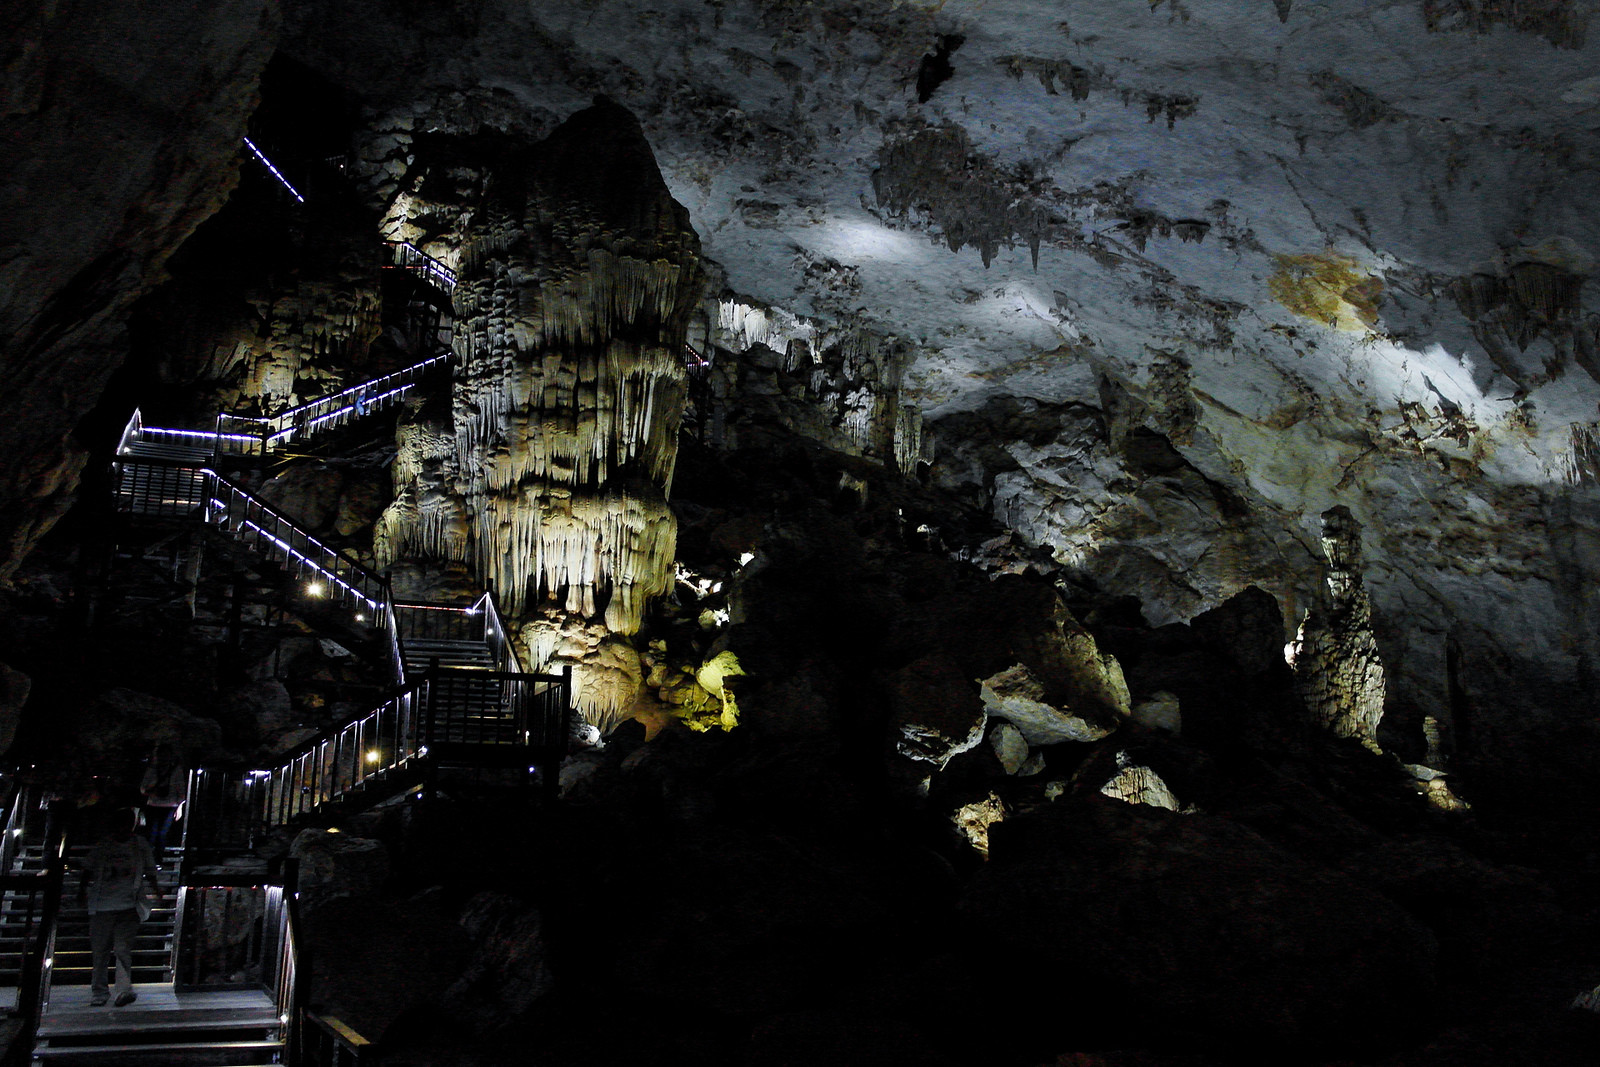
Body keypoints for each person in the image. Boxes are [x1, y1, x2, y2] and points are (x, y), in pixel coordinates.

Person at [78, 809, 161, 1007]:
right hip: (102, 905)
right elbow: (88, 868)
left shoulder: (139, 845)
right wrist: (81, 891)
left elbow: (149, 869)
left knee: (122, 949)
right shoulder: (104, 845)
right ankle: (100, 991)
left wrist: (156, 889)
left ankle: (123, 990)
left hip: (128, 904)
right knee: (100, 951)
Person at [140, 744, 188, 850]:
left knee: (162, 834)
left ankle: (158, 860)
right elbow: (143, 788)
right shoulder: (152, 770)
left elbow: (181, 790)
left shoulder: (175, 771)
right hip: (153, 805)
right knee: (151, 834)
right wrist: (153, 791)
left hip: (169, 806)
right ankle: (151, 859)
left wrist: (179, 807)